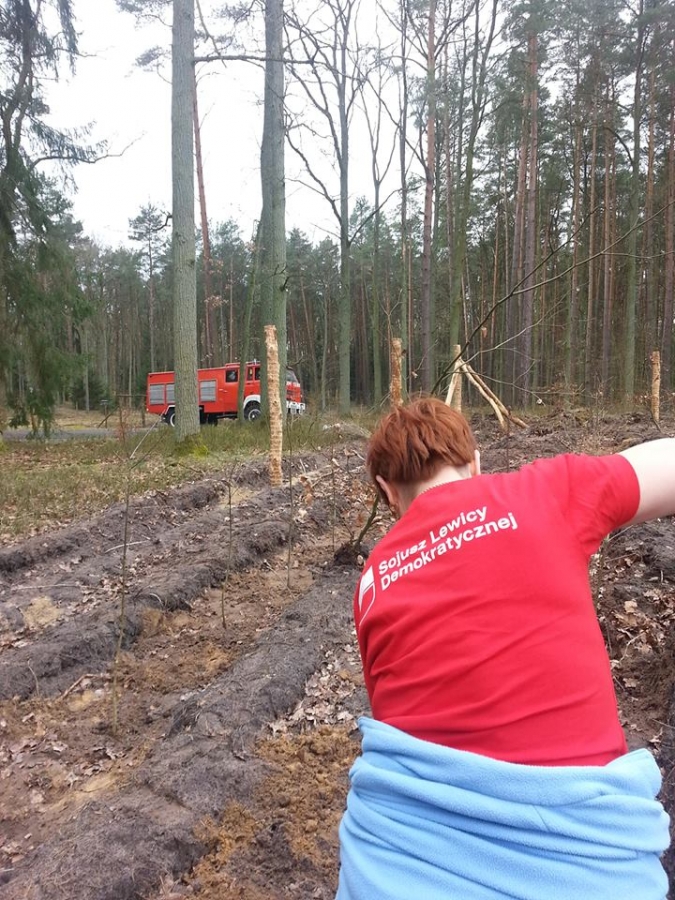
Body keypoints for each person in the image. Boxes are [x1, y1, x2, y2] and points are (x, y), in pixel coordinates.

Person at [336, 397, 671, 900]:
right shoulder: (543, 492)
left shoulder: (372, 579)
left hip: (389, 867)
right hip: (583, 866)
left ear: (388, 491)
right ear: (475, 462)